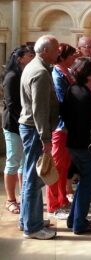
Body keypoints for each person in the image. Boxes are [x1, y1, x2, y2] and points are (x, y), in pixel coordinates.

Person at [19, 35, 60, 240]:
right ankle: (33, 227)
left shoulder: (35, 66)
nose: (58, 53)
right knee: (34, 179)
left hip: (31, 128)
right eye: (55, 49)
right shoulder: (40, 72)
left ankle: (27, 219)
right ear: (45, 51)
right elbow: (39, 110)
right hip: (35, 130)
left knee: (30, 176)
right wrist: (45, 138)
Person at [61, 57, 91, 235]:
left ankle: (73, 219)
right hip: (84, 145)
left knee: (83, 182)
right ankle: (79, 223)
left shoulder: (73, 89)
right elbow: (89, 124)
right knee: (87, 185)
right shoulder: (84, 95)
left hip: (74, 143)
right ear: (89, 74)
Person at [2, 45, 35, 214]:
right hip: (14, 125)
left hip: (23, 125)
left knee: (24, 163)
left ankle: (24, 196)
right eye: (30, 55)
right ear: (20, 58)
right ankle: (10, 199)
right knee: (13, 161)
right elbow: (11, 104)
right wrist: (23, 125)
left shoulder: (23, 74)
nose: (33, 57)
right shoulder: (12, 76)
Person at [47, 43, 78, 219]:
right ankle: (53, 204)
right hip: (60, 126)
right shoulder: (57, 74)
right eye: (72, 55)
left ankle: (62, 199)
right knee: (56, 166)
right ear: (63, 56)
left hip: (68, 126)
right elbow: (62, 99)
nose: (75, 58)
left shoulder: (67, 72)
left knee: (64, 165)